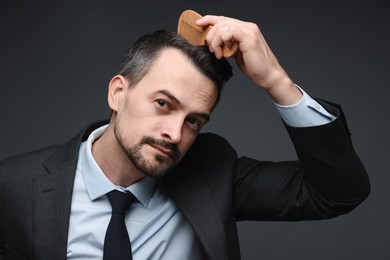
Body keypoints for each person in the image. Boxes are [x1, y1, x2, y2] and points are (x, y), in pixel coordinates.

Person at [0, 14, 370, 260]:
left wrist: (276, 81)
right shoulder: (14, 187)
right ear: (117, 93)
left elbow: (338, 192)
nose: (174, 134)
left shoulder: (212, 171)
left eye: (194, 121)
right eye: (163, 103)